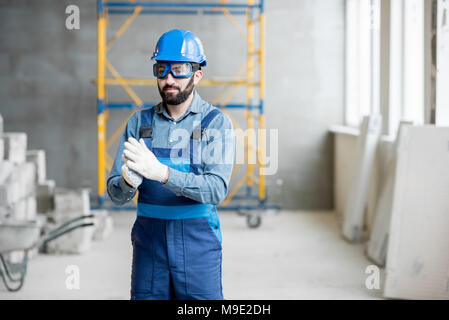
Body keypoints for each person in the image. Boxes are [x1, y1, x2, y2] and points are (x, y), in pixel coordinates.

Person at [107, 29, 235, 300]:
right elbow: (115, 194)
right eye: (161, 69)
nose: (168, 80)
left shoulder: (216, 123)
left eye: (178, 70)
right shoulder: (139, 123)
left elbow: (216, 190)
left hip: (197, 244)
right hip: (149, 246)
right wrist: (127, 183)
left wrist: (163, 174)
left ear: (196, 74)